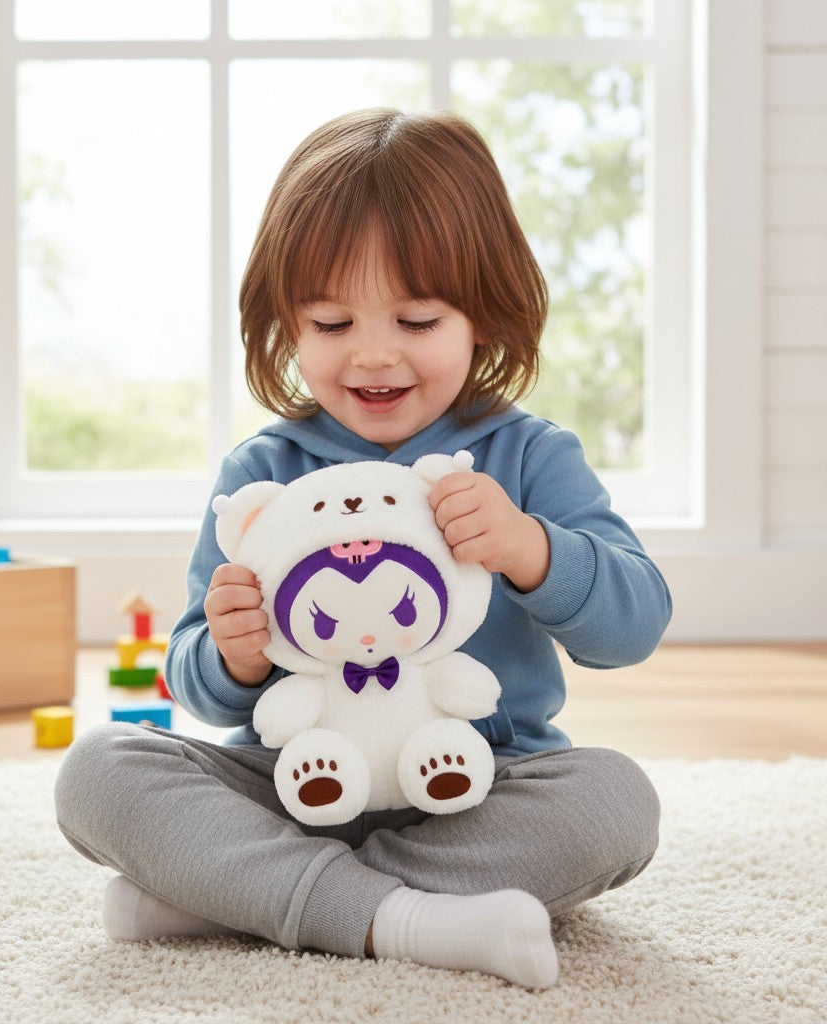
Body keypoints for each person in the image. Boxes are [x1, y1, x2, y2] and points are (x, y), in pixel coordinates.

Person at [55, 108, 671, 990]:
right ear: (287, 323)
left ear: (484, 314)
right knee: (99, 771)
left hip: (475, 787)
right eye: (332, 322)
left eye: (416, 320)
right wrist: (230, 654)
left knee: (616, 800)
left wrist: (531, 548)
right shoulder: (262, 473)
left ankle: (252, 899)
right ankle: (403, 918)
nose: (374, 356)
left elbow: (635, 626)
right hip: (296, 786)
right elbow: (193, 679)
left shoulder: (530, 457)